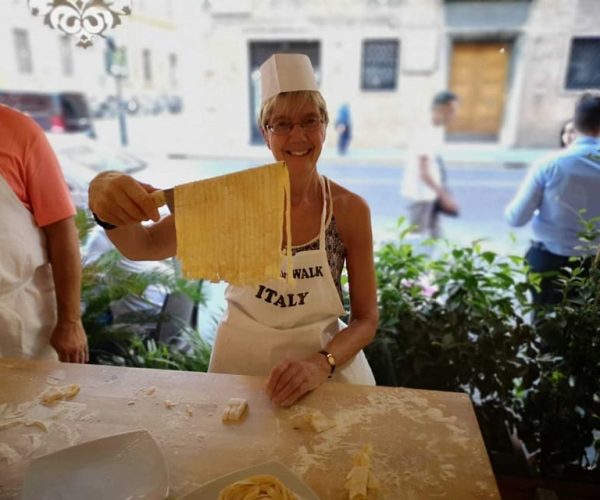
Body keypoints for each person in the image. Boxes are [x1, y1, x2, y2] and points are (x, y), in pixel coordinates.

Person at [88, 53, 378, 406]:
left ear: (325, 126)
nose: (298, 135)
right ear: (265, 134)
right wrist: (106, 201)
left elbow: (365, 319)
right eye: (281, 124)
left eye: (310, 120)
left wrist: (322, 363)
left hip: (325, 372)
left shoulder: (348, 210)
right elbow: (143, 246)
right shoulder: (231, 200)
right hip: (240, 371)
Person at [0, 104, 88, 363]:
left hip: (20, 319)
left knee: (32, 402)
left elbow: (62, 230)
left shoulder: (19, 131)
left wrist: (70, 321)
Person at [505, 92, 600, 307]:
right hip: (594, 264)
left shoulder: (550, 165)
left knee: (545, 328)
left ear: (575, 124)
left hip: (549, 261)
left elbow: (516, 218)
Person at [401, 91, 460, 238]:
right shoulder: (425, 131)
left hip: (430, 196)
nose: (453, 115)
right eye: (452, 111)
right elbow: (424, 173)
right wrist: (444, 196)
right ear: (442, 109)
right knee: (416, 241)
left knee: (435, 237)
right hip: (420, 197)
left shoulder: (435, 130)